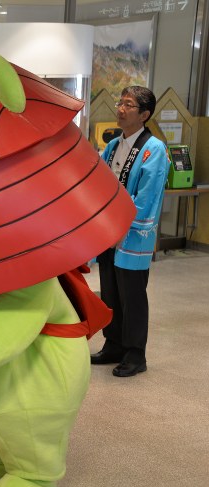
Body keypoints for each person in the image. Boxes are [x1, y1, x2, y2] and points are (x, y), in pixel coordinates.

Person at [91, 86, 169, 378]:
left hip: (132, 234)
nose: (120, 109)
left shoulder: (154, 149)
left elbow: (147, 198)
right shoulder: (113, 146)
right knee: (110, 291)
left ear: (144, 114)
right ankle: (113, 344)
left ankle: (136, 354)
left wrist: (118, 216)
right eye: (120, 103)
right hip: (109, 232)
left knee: (132, 295)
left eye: (128, 105)